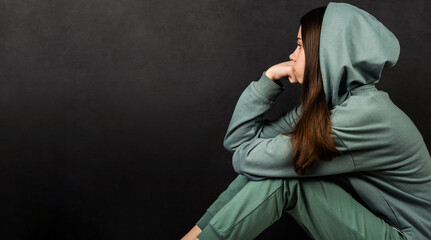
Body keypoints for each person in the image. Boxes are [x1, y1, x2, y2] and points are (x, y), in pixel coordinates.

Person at [181, 2, 431, 240]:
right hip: (383, 226)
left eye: (300, 46)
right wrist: (268, 79)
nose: (291, 55)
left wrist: (250, 156)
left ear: (328, 52)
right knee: (267, 170)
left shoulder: (364, 117)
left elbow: (244, 157)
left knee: (286, 180)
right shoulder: (331, 105)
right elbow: (239, 142)